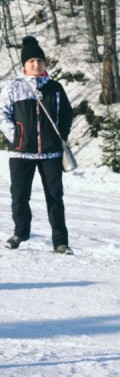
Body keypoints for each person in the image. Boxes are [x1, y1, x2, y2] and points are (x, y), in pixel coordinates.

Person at [0, 35, 74, 254]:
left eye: (39, 61)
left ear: (44, 64)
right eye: (31, 61)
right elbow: (2, 114)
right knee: (20, 196)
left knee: (55, 197)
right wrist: (16, 136)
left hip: (50, 153)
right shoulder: (13, 87)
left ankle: (60, 242)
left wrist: (61, 136)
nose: (36, 64)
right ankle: (20, 233)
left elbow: (67, 114)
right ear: (24, 64)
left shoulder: (55, 88)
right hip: (21, 153)